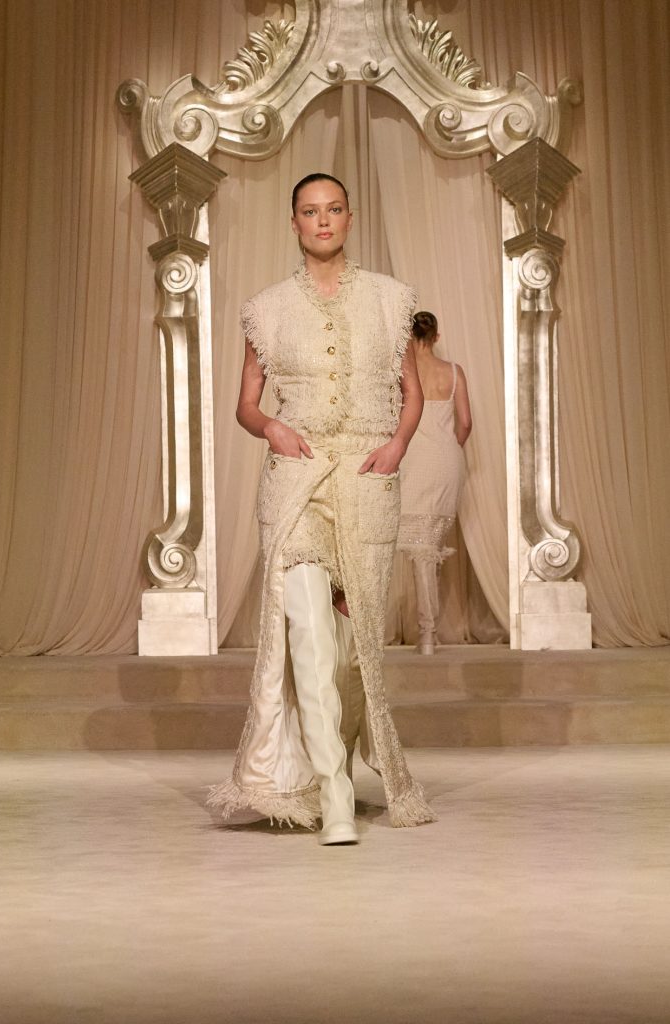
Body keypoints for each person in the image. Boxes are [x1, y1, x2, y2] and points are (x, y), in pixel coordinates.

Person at [207, 173, 436, 844]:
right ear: (294, 223)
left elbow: (411, 390)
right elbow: (247, 403)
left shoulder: (392, 299)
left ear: (349, 217)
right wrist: (270, 428)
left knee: (352, 648)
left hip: (367, 477)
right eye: (310, 211)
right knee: (307, 631)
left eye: (333, 209)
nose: (323, 220)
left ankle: (331, 765)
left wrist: (396, 445)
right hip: (297, 477)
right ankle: (334, 794)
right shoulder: (267, 308)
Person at [396, 311, 472, 655]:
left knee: (421, 548)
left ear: (409, 337)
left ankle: (427, 633)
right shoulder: (454, 372)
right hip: (446, 460)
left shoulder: (402, 373)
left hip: (414, 458)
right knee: (429, 545)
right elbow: (465, 423)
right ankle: (429, 632)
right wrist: (450, 450)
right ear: (436, 336)